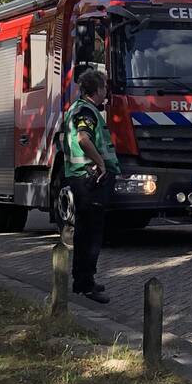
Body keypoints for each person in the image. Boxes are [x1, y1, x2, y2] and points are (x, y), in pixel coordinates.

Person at [62, 69, 119, 304]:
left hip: (83, 178)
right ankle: (86, 284)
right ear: (96, 90)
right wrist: (100, 164)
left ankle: (82, 281)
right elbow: (83, 138)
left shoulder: (79, 108)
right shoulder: (86, 111)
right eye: (104, 86)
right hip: (90, 179)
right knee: (92, 235)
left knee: (85, 232)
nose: (106, 90)